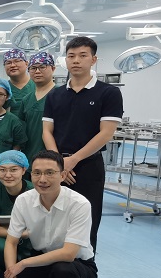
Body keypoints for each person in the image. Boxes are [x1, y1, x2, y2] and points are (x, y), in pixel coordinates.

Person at [3, 150, 97, 278]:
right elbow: (11, 242)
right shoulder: (24, 200)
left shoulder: (79, 204)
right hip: (43, 257)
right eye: (37, 173)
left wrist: (22, 264)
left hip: (77, 265)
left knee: (63, 270)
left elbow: (68, 253)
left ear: (62, 175)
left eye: (49, 173)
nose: (42, 179)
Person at [42, 36, 122, 253]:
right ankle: (49, 267)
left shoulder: (108, 93)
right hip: (57, 167)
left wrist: (73, 160)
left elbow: (106, 133)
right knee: (53, 220)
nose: (76, 60)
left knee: (87, 220)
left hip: (88, 167)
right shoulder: (55, 95)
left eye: (82, 55)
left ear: (93, 59)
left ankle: (84, 268)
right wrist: (59, 163)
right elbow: (47, 131)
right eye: (71, 56)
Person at [0, 150, 33, 278]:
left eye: (13, 170)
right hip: (5, 238)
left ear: (24, 170)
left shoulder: (34, 191)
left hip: (31, 241)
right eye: (2, 170)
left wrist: (27, 235)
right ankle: (2, 276)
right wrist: (21, 234)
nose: (7, 175)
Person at [19, 51, 56, 162]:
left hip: (54, 158)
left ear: (53, 68)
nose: (37, 71)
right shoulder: (26, 100)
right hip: (29, 157)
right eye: (33, 68)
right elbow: (21, 130)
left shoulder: (61, 95)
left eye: (42, 67)